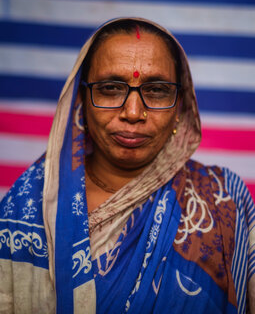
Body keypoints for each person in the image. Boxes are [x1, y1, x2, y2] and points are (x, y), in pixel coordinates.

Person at [0, 18, 254, 314]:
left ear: (179, 107)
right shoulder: (30, 202)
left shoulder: (223, 198)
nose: (133, 112)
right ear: (81, 99)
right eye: (110, 88)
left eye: (157, 90)